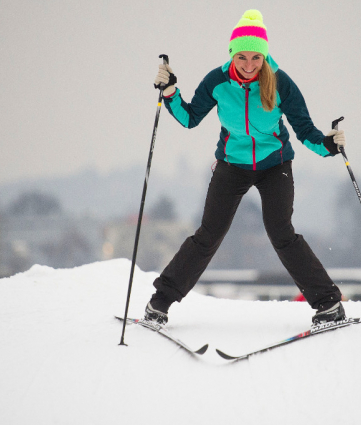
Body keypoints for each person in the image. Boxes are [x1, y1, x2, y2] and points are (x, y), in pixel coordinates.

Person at [144, 10, 346, 326]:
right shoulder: (217, 81)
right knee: (208, 235)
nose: (249, 65)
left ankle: (329, 305)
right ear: (232, 55)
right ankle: (159, 304)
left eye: (255, 57)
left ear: (264, 56)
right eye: (242, 57)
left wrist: (329, 145)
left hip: (274, 164)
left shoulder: (280, 83)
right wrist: (169, 92)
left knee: (281, 233)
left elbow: (304, 130)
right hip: (232, 164)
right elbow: (189, 118)